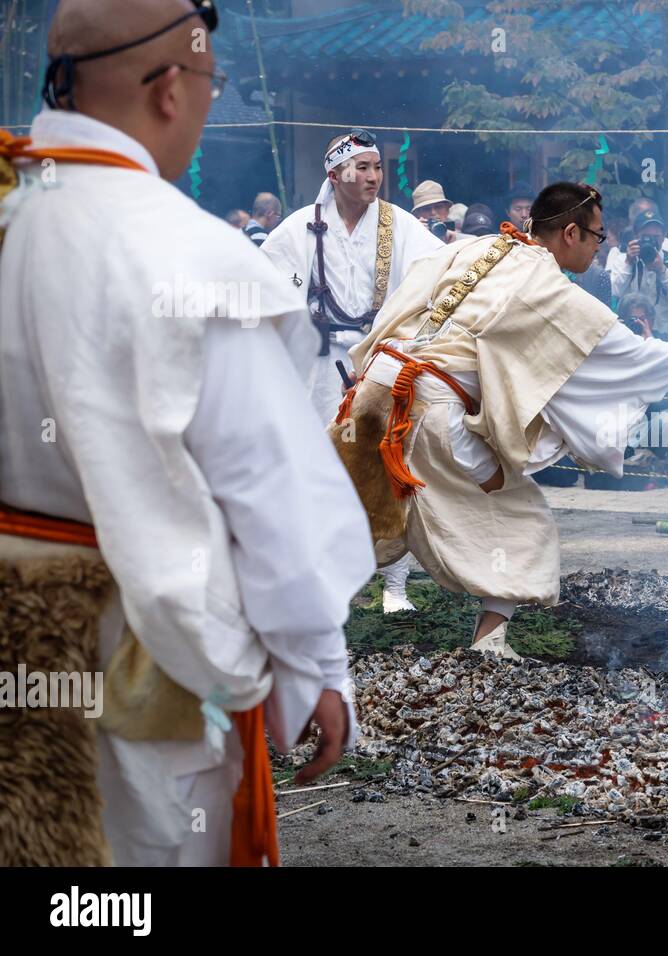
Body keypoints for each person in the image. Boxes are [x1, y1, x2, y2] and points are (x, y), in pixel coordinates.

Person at [0, 0, 373, 866]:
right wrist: (316, 670)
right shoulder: (187, 257)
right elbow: (270, 493)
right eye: (211, 83)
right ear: (171, 87)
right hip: (134, 656)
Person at [329, 183, 668, 660]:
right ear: (570, 232)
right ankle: (488, 643)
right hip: (427, 410)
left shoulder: (477, 247)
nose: (599, 246)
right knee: (527, 522)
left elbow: (411, 287)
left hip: (371, 392)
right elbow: (650, 356)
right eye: (597, 236)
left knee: (352, 518)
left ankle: (295, 620)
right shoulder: (558, 295)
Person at [262, 130, 442, 427]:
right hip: (318, 363)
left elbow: (438, 269)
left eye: (378, 167)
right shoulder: (300, 226)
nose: (374, 177)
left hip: (380, 361)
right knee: (318, 445)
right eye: (362, 168)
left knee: (375, 454)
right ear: (334, 176)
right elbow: (268, 289)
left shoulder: (399, 224)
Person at [609, 208, 668, 338]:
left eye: (656, 237)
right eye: (646, 237)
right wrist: (629, 263)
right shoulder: (623, 260)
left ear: (664, 237)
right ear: (636, 235)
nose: (651, 242)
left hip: (665, 332)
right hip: (631, 332)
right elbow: (614, 292)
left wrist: (662, 270)